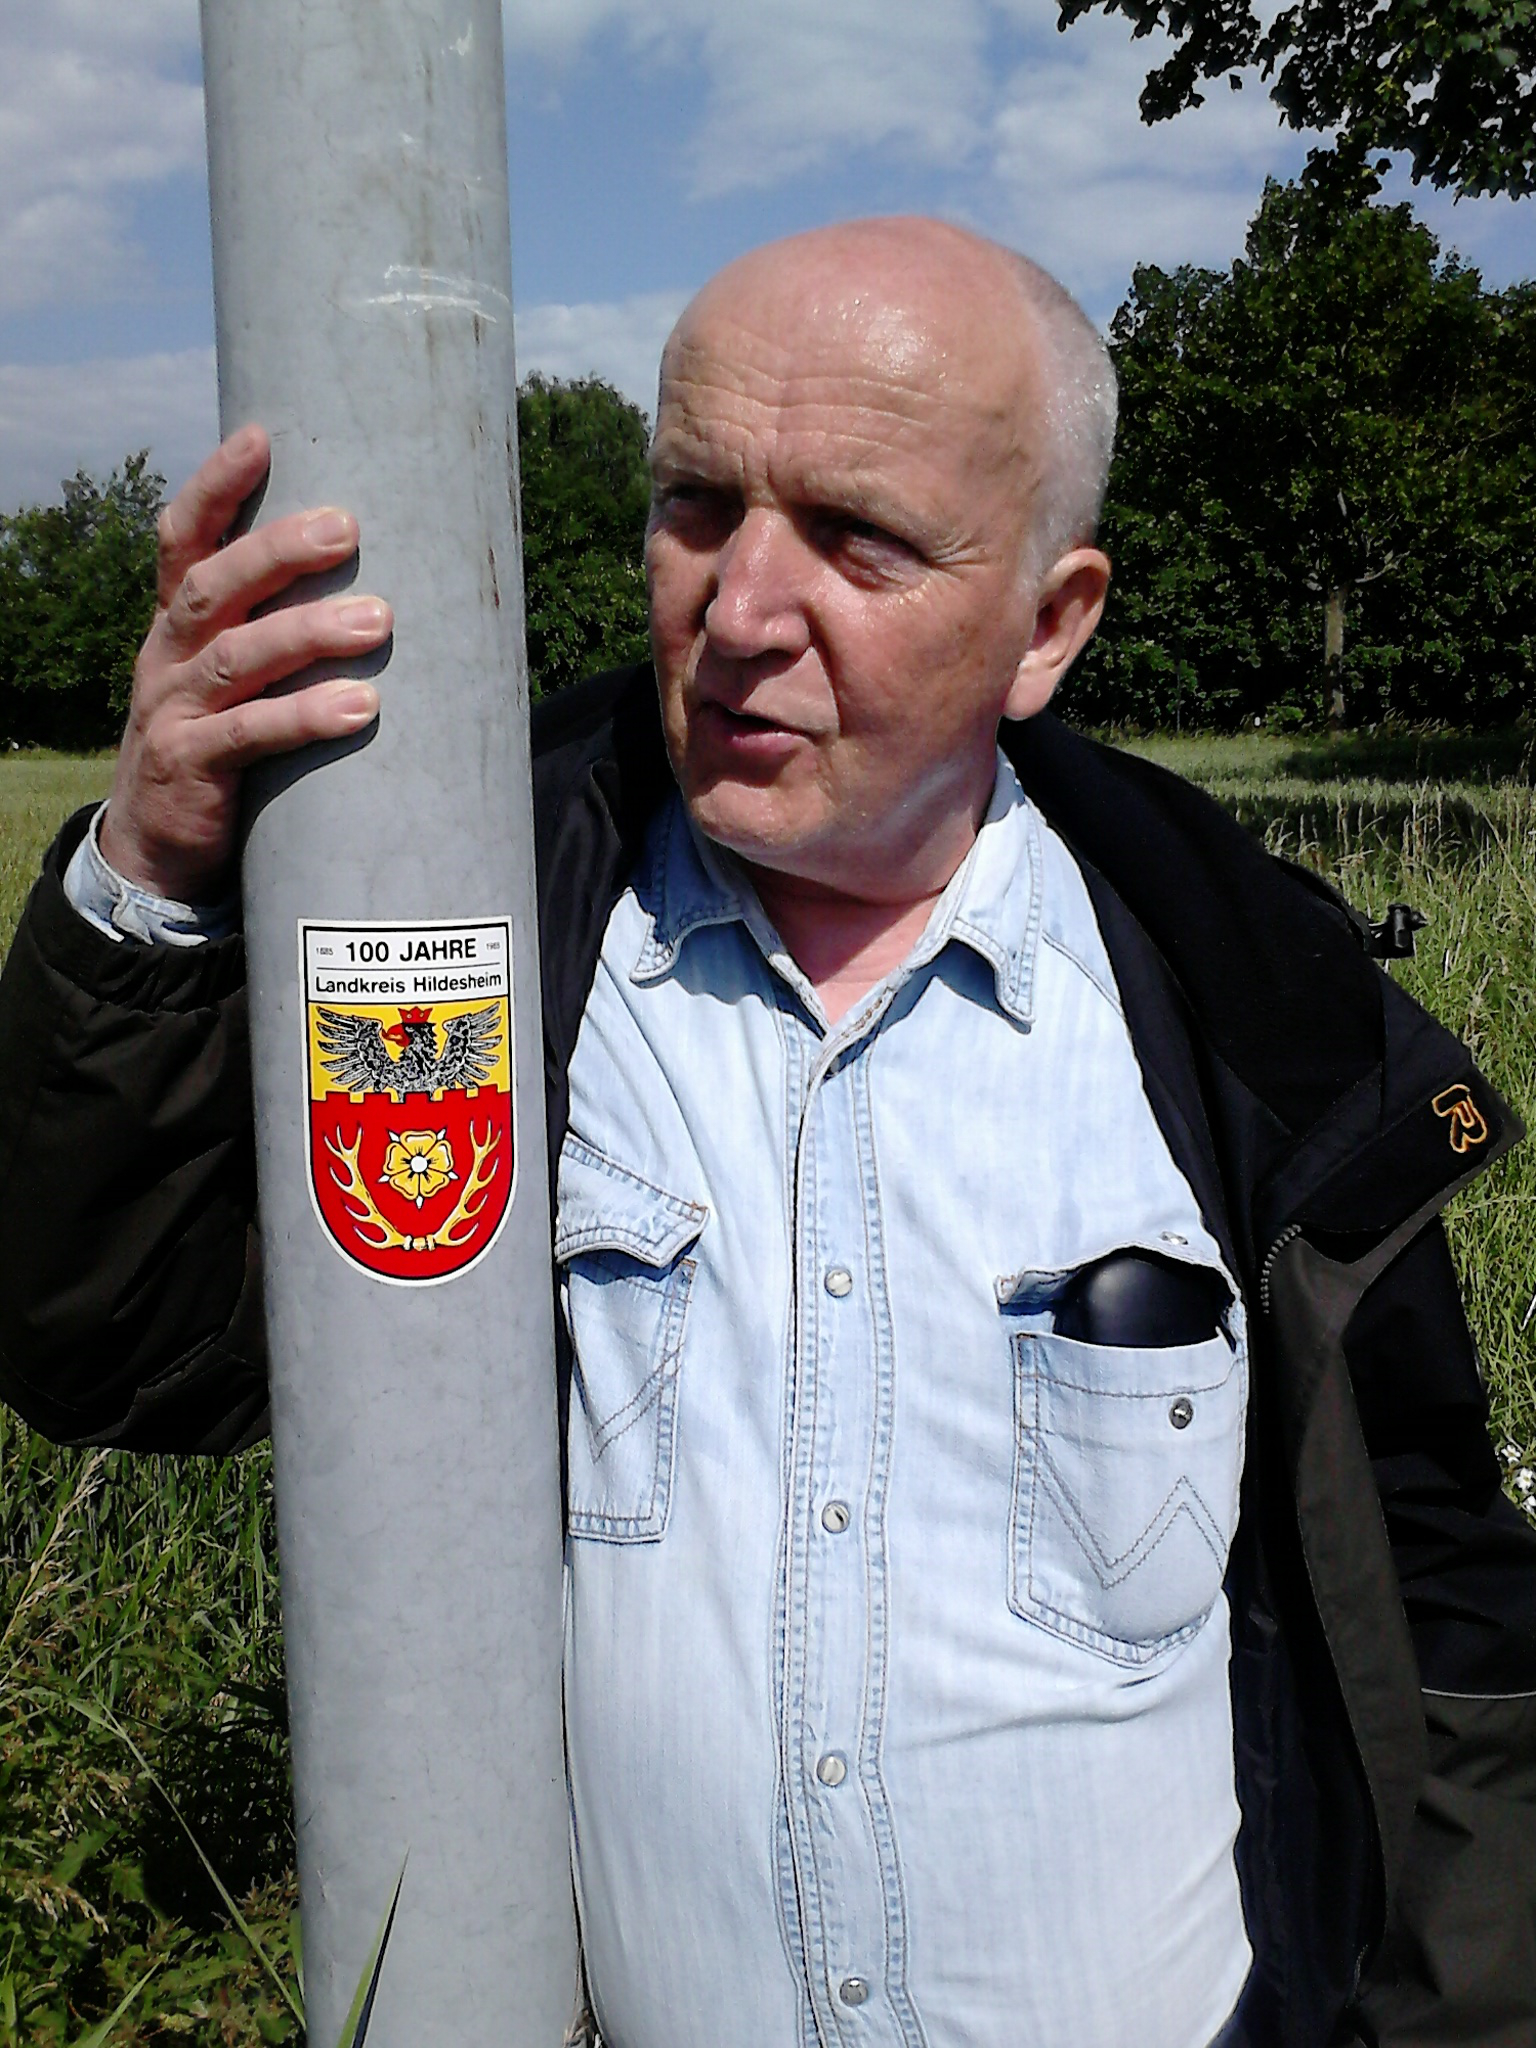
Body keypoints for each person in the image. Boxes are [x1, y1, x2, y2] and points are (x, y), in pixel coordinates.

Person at [1, 217, 1533, 2048]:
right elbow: (124, 1349)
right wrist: (156, 876)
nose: (737, 609)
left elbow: (1440, 1639)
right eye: (700, 504)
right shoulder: (493, 950)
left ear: (1050, 623)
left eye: (860, 537)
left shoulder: (1259, 1022)